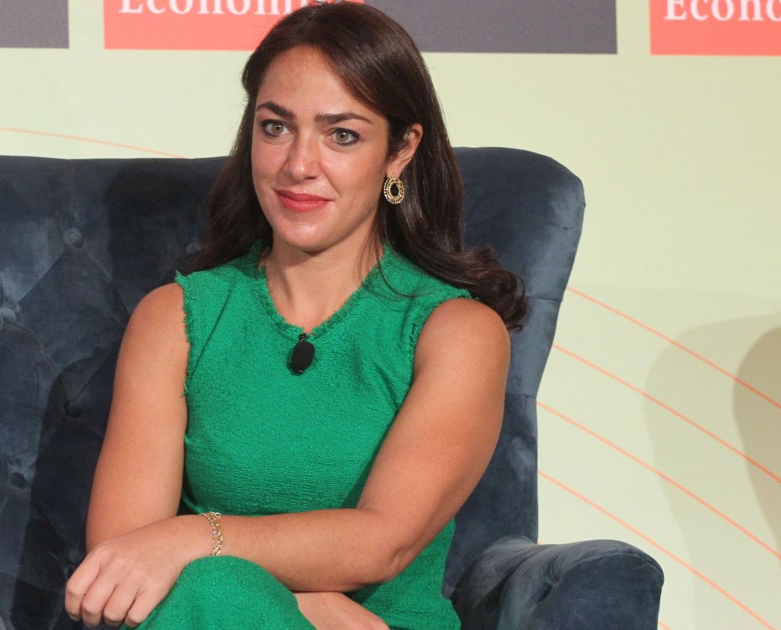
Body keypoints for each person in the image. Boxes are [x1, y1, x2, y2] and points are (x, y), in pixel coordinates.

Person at [64, 3, 525, 628]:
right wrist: (305, 603)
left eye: (342, 135)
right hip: (205, 614)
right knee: (215, 593)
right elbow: (121, 567)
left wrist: (193, 538)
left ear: (400, 150)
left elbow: (382, 542)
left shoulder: (456, 331)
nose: (298, 165)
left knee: (212, 584)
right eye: (276, 127)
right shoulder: (175, 317)